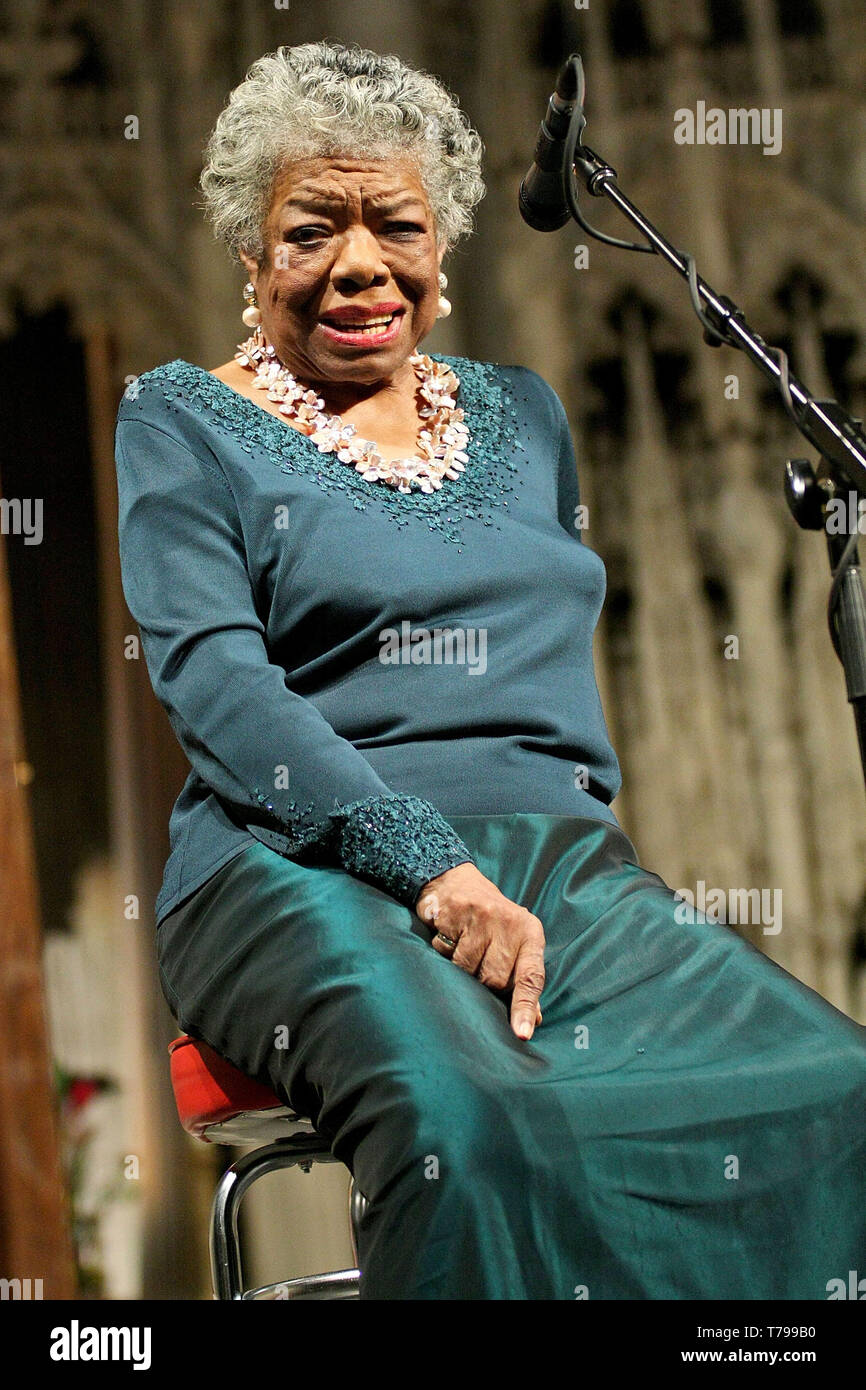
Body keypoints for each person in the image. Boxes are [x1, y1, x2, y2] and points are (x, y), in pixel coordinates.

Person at [115, 40, 866, 1300]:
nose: (359, 262)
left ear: (444, 244)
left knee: (832, 1091)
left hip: (560, 869)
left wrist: (566, 845)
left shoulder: (522, 416)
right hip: (289, 867)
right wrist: (427, 861)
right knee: (475, 1127)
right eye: (311, 231)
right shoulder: (179, 418)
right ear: (250, 252)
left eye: (393, 224)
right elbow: (215, 686)